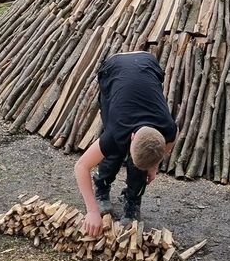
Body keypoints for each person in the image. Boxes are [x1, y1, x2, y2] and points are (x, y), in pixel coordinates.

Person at [74, 51, 178, 237]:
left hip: (147, 64)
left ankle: (132, 201)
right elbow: (81, 166)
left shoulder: (168, 129)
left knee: (141, 164)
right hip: (114, 68)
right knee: (113, 151)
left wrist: (153, 166)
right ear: (131, 138)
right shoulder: (116, 132)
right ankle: (102, 187)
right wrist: (92, 211)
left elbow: (167, 143)